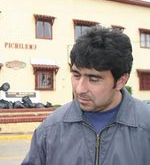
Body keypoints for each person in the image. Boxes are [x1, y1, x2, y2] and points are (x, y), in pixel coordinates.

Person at [21, 26, 150, 165]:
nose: (80, 89)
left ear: (121, 81)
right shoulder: (50, 129)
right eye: (76, 75)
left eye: (93, 79)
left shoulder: (145, 125)